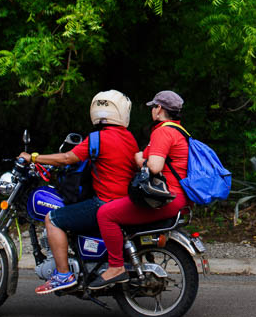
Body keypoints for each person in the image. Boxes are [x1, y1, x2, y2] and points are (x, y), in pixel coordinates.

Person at [19, 90, 139, 294]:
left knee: (53, 219)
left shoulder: (97, 139)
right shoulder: (129, 138)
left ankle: (63, 274)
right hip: (123, 202)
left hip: (103, 203)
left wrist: (34, 158)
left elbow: (67, 158)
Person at [90, 89, 190, 289]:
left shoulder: (163, 131)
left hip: (166, 198)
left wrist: (141, 159)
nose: (152, 110)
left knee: (105, 214)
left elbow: (154, 166)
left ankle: (116, 267)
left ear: (159, 108)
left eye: (153, 106)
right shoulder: (179, 131)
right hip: (176, 197)